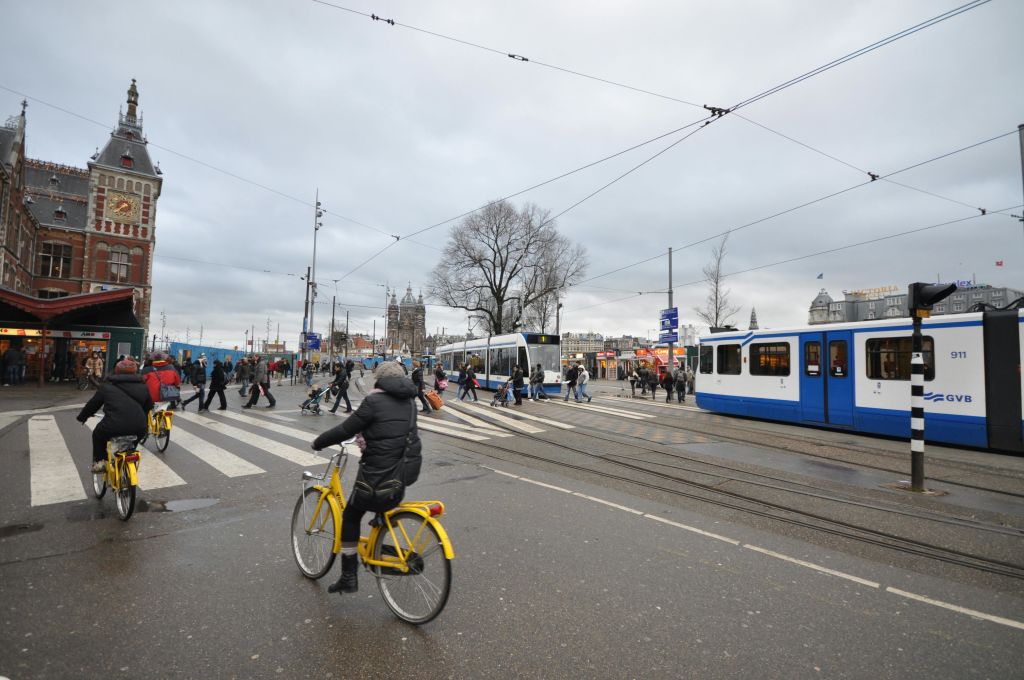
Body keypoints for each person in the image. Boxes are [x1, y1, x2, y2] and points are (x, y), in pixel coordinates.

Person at [311, 361, 422, 595]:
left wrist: (319, 442)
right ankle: (379, 528)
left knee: (351, 515)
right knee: (381, 498)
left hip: (376, 480)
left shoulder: (373, 402)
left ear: (380, 379)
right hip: (401, 478)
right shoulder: (411, 402)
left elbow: (346, 430)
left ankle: (348, 576)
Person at [76, 358, 153, 472]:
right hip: (139, 427)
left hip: (112, 426)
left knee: (97, 434)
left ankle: (101, 461)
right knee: (135, 441)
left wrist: (82, 417)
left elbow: (93, 405)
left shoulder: (106, 387)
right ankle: (130, 455)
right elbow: (149, 406)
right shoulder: (144, 387)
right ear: (135, 371)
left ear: (116, 371)